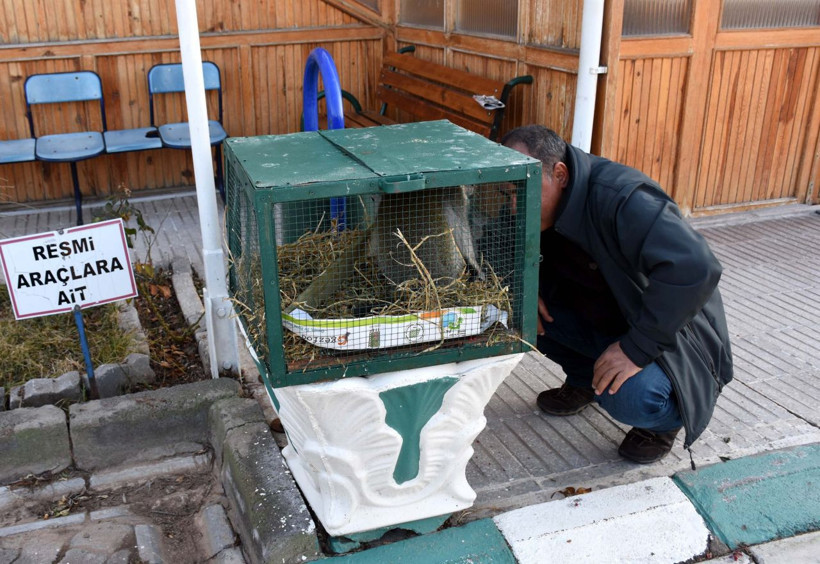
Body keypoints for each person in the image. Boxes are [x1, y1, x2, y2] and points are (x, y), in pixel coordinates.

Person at [501, 125, 733, 464]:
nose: (513, 208)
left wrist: (635, 349)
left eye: (520, 193)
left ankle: (665, 421)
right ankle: (585, 379)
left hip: (672, 337)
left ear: (560, 174)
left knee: (628, 397)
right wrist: (523, 287)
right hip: (606, 318)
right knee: (516, 310)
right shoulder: (539, 205)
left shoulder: (623, 197)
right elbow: (495, 241)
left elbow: (697, 267)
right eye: (507, 194)